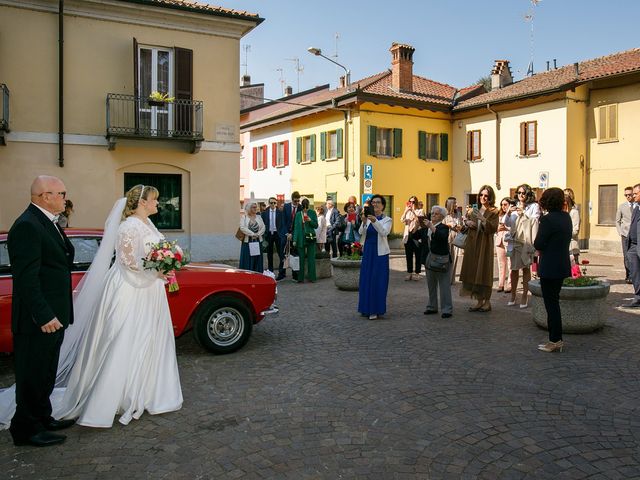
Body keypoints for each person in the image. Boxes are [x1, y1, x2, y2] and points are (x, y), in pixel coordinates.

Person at [7, 176, 75, 446]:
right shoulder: (27, 226)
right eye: (61, 193)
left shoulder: (47, 222)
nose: (64, 198)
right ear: (44, 196)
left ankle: (43, 417)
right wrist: (44, 315)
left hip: (55, 314)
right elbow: (26, 278)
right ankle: (25, 429)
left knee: (46, 371)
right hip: (39, 318)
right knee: (31, 374)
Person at [534, 187, 573, 352]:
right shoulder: (566, 217)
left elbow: (538, 243)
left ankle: (555, 340)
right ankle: (556, 339)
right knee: (554, 302)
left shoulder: (547, 220)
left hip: (549, 266)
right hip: (562, 265)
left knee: (551, 305)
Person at [459, 185, 499, 312]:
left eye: (486, 195)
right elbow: (468, 224)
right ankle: (479, 300)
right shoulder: (474, 210)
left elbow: (493, 228)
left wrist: (483, 220)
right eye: (481, 195)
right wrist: (468, 223)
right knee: (473, 270)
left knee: (484, 271)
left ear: (490, 197)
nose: (483, 197)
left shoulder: (494, 211)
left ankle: (487, 301)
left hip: (484, 244)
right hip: (472, 244)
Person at [505, 183, 540, 308]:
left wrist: (523, 214)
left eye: (523, 193)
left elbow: (535, 221)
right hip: (514, 241)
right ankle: (513, 295)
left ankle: (525, 295)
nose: (520, 195)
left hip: (525, 241)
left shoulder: (534, 206)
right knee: (513, 269)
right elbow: (507, 223)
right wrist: (508, 213)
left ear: (528, 194)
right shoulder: (514, 205)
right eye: (519, 193)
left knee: (525, 269)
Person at [358, 194, 392, 320]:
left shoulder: (387, 220)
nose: (375, 204)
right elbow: (361, 232)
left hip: (380, 254)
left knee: (377, 281)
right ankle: (365, 308)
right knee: (366, 279)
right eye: (373, 202)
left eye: (378, 202)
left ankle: (375, 310)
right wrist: (364, 221)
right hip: (368, 251)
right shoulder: (367, 218)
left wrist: (374, 221)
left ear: (383, 205)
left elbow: (384, 232)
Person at [423, 206, 453, 319]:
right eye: (432, 213)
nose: (433, 215)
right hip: (429, 259)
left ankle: (447, 309)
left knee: (444, 285)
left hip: (441, 260)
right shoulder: (426, 227)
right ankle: (432, 306)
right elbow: (416, 237)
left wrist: (431, 226)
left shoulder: (443, 227)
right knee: (431, 284)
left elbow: (442, 237)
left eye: (436, 214)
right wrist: (417, 225)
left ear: (441, 217)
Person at [292, 197, 318, 282]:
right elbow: (296, 227)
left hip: (310, 236)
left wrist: (310, 220)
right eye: (304, 207)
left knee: (311, 259)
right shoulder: (298, 214)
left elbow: (316, 225)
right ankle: (300, 278)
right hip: (300, 238)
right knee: (301, 259)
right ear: (302, 206)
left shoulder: (312, 213)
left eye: (307, 207)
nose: (306, 209)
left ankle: (312, 277)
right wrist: (294, 240)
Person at [623, 183, 640, 308]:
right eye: (632, 194)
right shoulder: (636, 208)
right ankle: (638, 297)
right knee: (634, 272)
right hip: (633, 245)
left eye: (635, 193)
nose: (633, 196)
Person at [239, 201, 265, 273]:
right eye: (253, 207)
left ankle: (257, 274)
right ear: (249, 208)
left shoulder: (259, 217)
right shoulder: (244, 217)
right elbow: (242, 227)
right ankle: (247, 275)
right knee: (247, 259)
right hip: (248, 242)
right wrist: (252, 234)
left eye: (256, 207)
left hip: (257, 241)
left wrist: (258, 234)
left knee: (257, 259)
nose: (255, 209)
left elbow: (263, 227)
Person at [261, 197, 285, 276]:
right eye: (271, 203)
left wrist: (282, 234)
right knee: (269, 254)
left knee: (280, 253)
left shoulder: (280, 212)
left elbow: (282, 224)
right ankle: (270, 272)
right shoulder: (265, 213)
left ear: (276, 203)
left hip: (277, 234)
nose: (273, 204)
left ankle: (281, 272)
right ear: (269, 203)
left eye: (275, 203)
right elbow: (263, 224)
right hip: (269, 235)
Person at [401, 196, 422, 281]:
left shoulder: (420, 211)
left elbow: (419, 220)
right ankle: (409, 273)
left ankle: (417, 273)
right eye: (410, 201)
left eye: (413, 202)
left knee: (418, 255)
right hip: (408, 234)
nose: (411, 203)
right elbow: (402, 219)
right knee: (408, 255)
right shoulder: (407, 211)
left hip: (417, 234)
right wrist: (406, 211)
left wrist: (413, 211)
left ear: (416, 202)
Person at [616, 186, 634, 284]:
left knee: (635, 255)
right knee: (626, 256)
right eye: (626, 195)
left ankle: (635, 275)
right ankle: (629, 275)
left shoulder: (637, 205)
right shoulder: (622, 206)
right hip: (625, 235)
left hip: (636, 235)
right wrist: (620, 232)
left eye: (630, 195)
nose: (628, 197)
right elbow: (617, 221)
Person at [282, 191, 301, 280]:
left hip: (295, 234)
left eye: (298, 201)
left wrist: (293, 234)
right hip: (286, 234)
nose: (297, 203)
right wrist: (287, 233)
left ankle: (295, 275)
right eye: (295, 201)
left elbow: (300, 224)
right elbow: (283, 221)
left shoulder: (300, 207)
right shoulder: (286, 206)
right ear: (292, 199)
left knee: (295, 255)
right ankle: (282, 274)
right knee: (284, 254)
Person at [443, 197, 462, 285]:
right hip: (447, 237)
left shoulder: (458, 213)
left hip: (456, 237)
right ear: (450, 204)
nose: (456, 205)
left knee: (454, 259)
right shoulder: (444, 214)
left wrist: (459, 227)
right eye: (455, 203)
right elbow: (440, 225)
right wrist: (448, 224)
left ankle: (451, 279)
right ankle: (445, 278)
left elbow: (461, 225)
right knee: (447, 258)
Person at [495, 197, 513, 293]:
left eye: (505, 204)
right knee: (501, 264)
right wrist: (497, 228)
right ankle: (501, 284)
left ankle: (510, 284)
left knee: (510, 263)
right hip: (499, 241)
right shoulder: (499, 215)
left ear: (510, 205)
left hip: (509, 242)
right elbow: (495, 228)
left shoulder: (513, 215)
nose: (503, 206)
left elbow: (515, 229)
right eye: (502, 204)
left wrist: (506, 228)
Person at [564, 188, 580, 264]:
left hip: (572, 244)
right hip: (563, 245)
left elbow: (575, 230)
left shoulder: (574, 212)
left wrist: (564, 234)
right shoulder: (561, 213)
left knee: (574, 268)